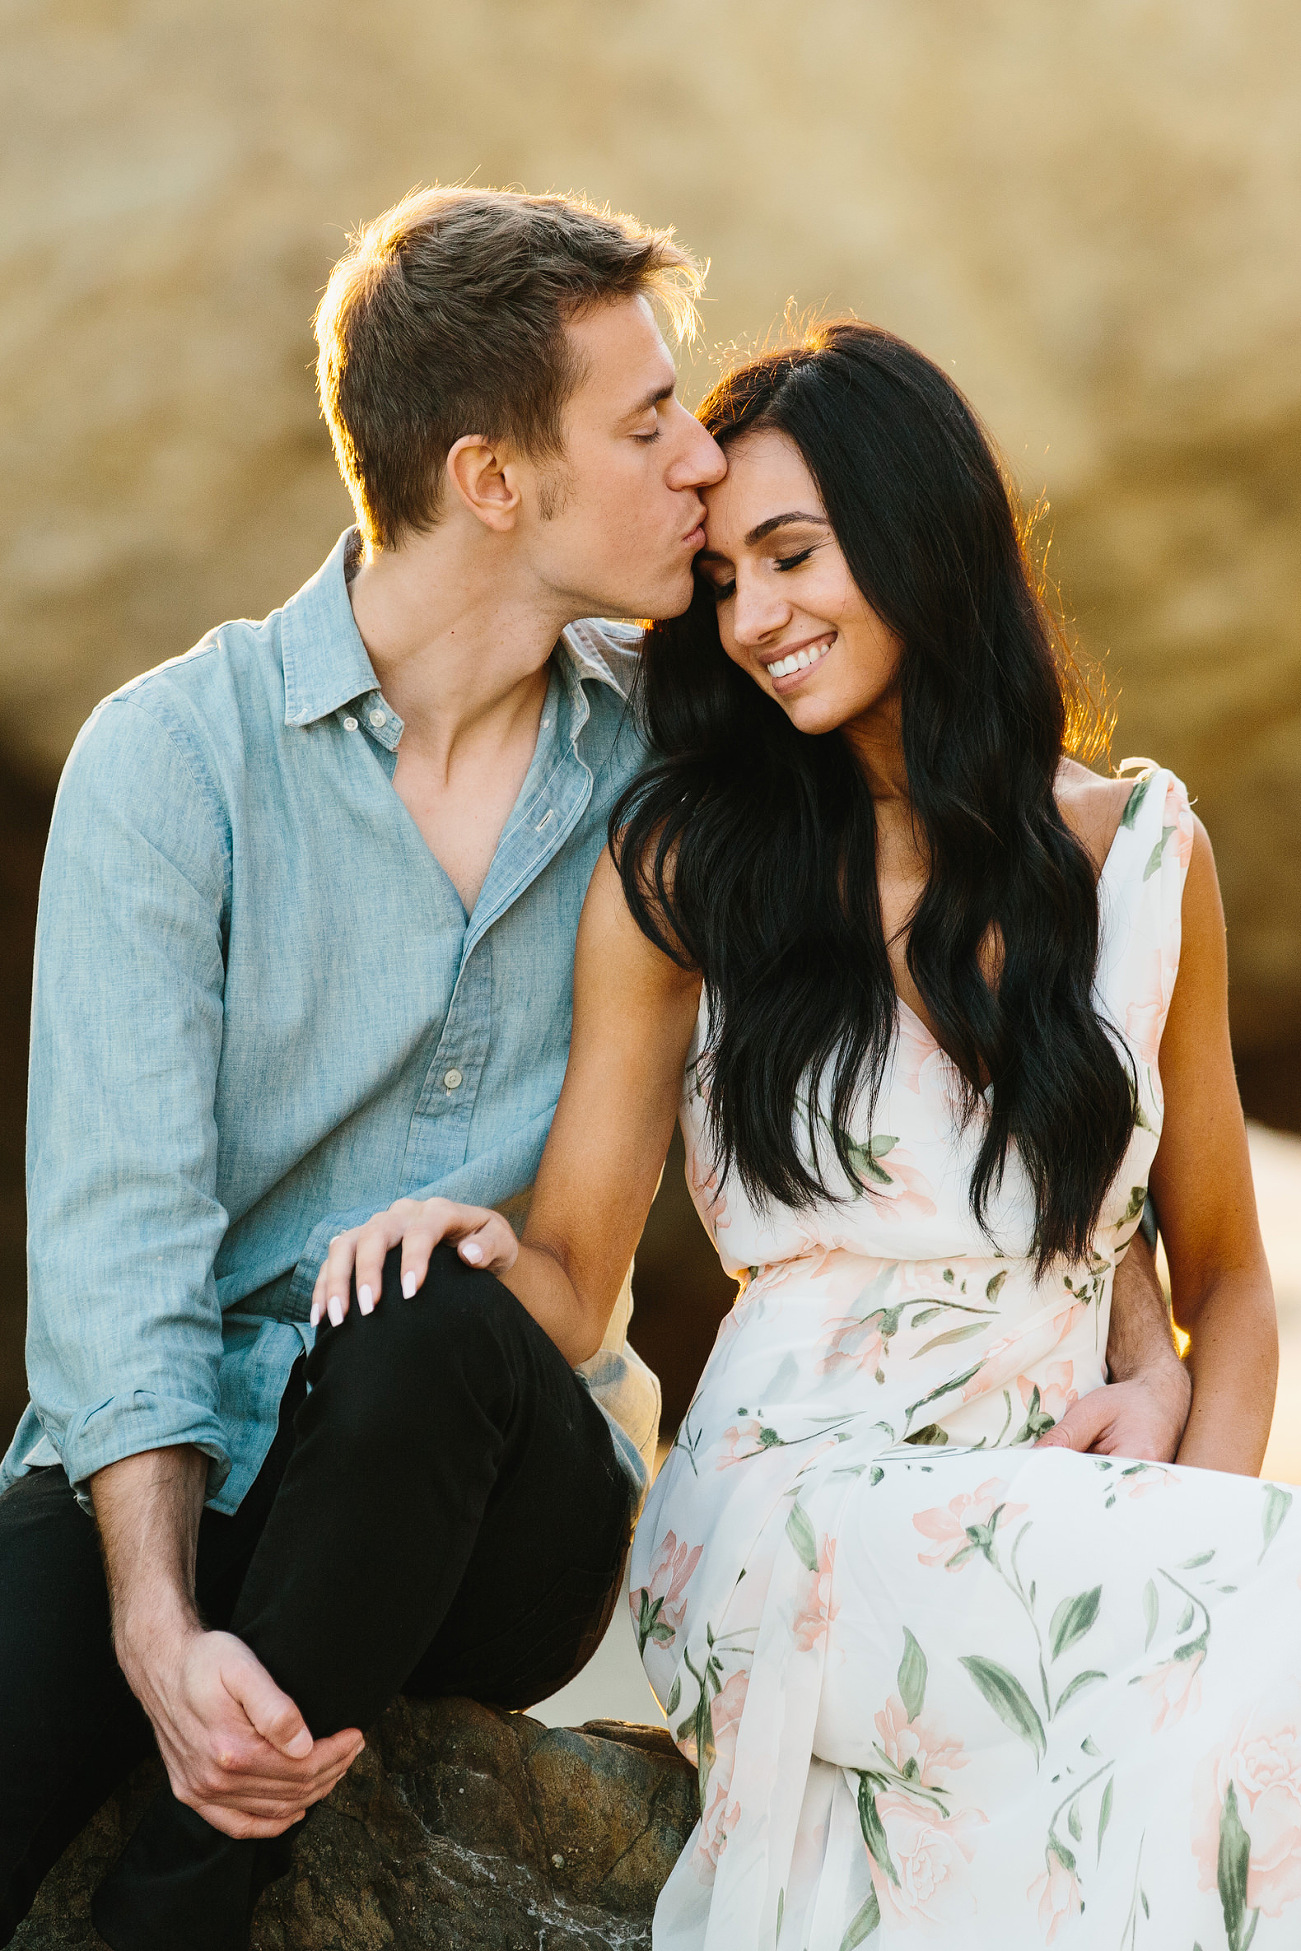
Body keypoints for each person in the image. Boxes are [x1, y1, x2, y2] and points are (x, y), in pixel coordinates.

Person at [320, 322, 1286, 1948]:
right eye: (722, 583)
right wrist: (479, 1259)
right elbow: (576, 1262)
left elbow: (1231, 1280)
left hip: (1054, 1510)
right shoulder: (689, 871)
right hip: (791, 1509)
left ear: (919, 531)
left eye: (792, 555)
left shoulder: (1139, 861)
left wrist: (1183, 1512)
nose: (754, 619)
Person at [0, 186, 730, 1951]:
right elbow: (119, 1243)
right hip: (200, 1483)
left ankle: (177, 1909)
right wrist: (158, 1635)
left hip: (492, 1491)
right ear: (491, 479)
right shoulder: (175, 762)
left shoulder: (676, 763)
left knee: (414, 1316)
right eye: (644, 425)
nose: (701, 461)